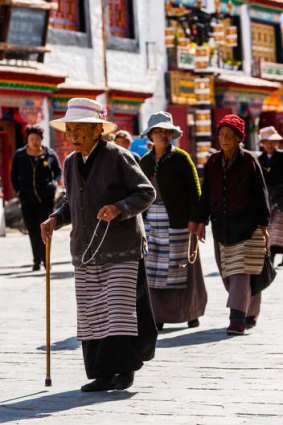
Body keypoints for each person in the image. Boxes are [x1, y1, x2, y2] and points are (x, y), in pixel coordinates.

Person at [40, 98, 157, 392]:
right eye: (71, 129)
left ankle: (126, 370)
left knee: (118, 311)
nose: (74, 135)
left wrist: (120, 207)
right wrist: (55, 218)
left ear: (96, 130)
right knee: (92, 313)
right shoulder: (69, 163)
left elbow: (146, 192)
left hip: (121, 246)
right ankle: (102, 374)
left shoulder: (119, 156)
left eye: (80, 129)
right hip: (86, 250)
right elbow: (72, 202)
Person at [197, 114, 270, 336]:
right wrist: (201, 220)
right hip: (222, 226)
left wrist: (264, 225)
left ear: (239, 138)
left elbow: (261, 193)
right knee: (229, 273)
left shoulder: (249, 161)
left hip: (247, 226)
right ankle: (249, 311)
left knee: (241, 271)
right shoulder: (212, 162)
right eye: (221, 135)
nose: (225, 139)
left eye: (229, 136)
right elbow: (206, 194)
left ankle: (237, 318)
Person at [140, 111, 207, 331]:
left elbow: (195, 191)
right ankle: (158, 314)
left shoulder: (181, 158)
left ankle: (190, 312)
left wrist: (195, 220)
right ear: (150, 134)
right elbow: (138, 193)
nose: (163, 135)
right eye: (158, 131)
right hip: (152, 223)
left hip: (178, 222)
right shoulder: (145, 162)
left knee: (182, 267)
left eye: (167, 131)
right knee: (155, 270)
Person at [11, 125, 62, 271]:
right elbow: (14, 175)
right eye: (31, 139)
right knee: (33, 231)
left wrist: (53, 185)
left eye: (37, 139)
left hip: (46, 200)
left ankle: (46, 260)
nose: (34, 142)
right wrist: (19, 191)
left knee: (46, 229)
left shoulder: (49, 154)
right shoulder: (20, 155)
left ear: (41, 140)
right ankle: (36, 260)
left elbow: (58, 172)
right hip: (27, 200)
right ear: (27, 140)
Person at [258, 126, 283, 265]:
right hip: (267, 198)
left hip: (281, 198)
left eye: (273, 142)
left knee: (278, 228)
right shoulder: (259, 160)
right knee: (269, 227)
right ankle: (270, 255)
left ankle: (273, 256)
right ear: (263, 143)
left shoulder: (282, 157)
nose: (270, 145)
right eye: (267, 142)